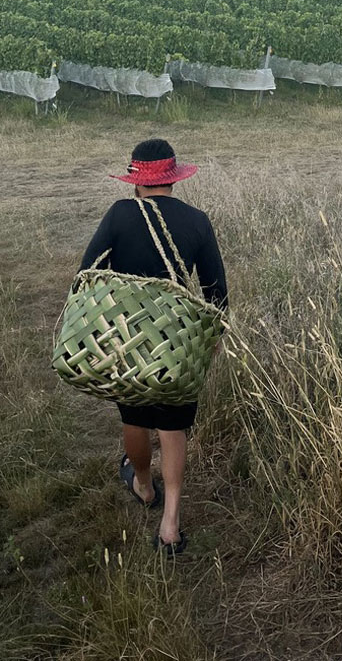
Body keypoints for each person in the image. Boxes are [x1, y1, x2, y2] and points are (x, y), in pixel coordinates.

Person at [78, 138, 228, 555]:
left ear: (136, 181)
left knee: (135, 417)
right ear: (173, 179)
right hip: (177, 342)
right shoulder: (197, 221)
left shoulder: (120, 214)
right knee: (174, 425)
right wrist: (212, 339)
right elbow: (216, 290)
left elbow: (88, 273)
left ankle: (144, 486)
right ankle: (171, 524)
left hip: (128, 339)